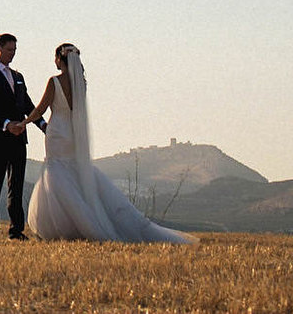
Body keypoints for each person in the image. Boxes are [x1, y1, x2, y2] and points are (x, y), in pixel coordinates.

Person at [13, 43, 195, 244]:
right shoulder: (81, 83)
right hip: (73, 134)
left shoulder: (54, 81)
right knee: (73, 173)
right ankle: (84, 220)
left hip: (57, 133)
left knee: (57, 175)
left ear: (60, 59)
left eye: (55, 57)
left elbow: (40, 109)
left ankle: (69, 224)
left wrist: (24, 123)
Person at [0, 32, 39, 238]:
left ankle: (16, 229)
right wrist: (6, 124)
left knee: (17, 185)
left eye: (15, 50)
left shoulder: (18, 77)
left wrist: (44, 125)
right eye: (9, 49)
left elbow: (28, 105)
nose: (12, 54)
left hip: (19, 138)